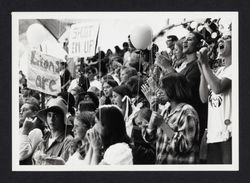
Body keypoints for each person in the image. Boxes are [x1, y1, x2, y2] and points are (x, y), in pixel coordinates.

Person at [142, 73, 200, 164]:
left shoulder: (187, 112)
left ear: (175, 89)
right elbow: (148, 138)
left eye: (163, 88)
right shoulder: (165, 111)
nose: (159, 91)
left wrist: (163, 125)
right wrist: (153, 113)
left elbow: (183, 146)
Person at [198, 35, 232, 164]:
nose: (220, 40)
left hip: (228, 132)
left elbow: (218, 88)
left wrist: (205, 64)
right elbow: (203, 97)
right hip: (214, 134)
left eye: (228, 37)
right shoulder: (219, 71)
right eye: (220, 40)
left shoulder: (235, 67)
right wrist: (202, 70)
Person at [32, 97, 73, 165]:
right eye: (49, 115)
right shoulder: (43, 141)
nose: (51, 119)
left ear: (63, 118)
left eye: (55, 115)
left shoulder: (68, 141)